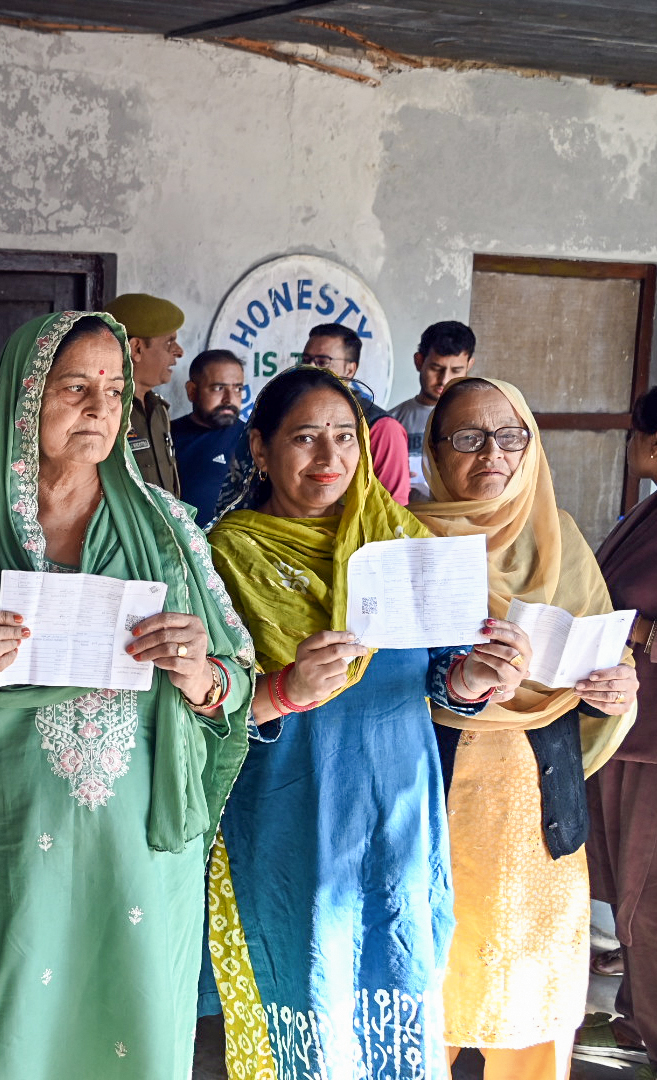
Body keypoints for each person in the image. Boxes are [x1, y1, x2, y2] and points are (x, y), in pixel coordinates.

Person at [0, 311, 254, 1079]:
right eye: (75, 387)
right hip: (3, 844)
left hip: (134, 851)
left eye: (114, 389)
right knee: (11, 1041)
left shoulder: (169, 532)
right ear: (23, 398)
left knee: (132, 1035)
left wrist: (201, 674)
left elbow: (235, 686)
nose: (101, 408)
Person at [205, 365, 518, 1080]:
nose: (329, 459)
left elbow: (443, 671)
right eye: (305, 438)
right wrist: (284, 687)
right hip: (288, 819)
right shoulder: (224, 558)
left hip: (397, 810)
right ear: (259, 449)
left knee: (396, 992)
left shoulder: (398, 543)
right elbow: (203, 710)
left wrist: (472, 678)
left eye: (344, 437)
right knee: (303, 1001)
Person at [413, 377, 637, 1080]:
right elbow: (373, 688)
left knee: (533, 1005)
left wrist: (615, 689)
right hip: (427, 810)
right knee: (423, 1001)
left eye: (511, 436)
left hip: (538, 812)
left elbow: (601, 667)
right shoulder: (403, 542)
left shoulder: (560, 538)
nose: (493, 455)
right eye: (468, 437)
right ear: (434, 450)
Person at [583, 386, 657, 1072]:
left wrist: (633, 629)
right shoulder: (648, 508)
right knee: (632, 890)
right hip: (626, 729)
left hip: (652, 744)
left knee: (646, 895)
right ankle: (638, 1016)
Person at [299, 322, 411, 504]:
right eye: (306, 360)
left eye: (322, 362)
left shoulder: (381, 428)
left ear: (350, 370)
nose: (310, 368)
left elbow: (394, 511)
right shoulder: (292, 415)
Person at [103, 292, 184, 495]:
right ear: (136, 348)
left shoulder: (158, 409)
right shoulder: (105, 409)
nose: (179, 351)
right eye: (169, 342)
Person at [389, 321, 477, 501]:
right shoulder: (391, 421)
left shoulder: (477, 421)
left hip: (457, 522)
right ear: (419, 361)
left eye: (456, 370)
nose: (444, 379)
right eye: (436, 368)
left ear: (469, 366)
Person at [170, 349, 246, 524]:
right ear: (192, 391)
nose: (229, 399)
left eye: (237, 388)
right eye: (219, 388)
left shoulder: (254, 441)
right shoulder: (166, 435)